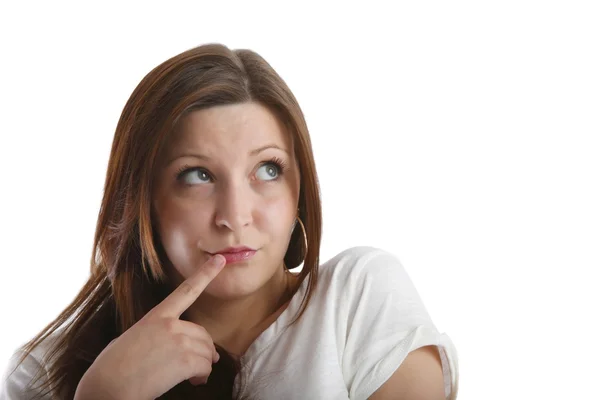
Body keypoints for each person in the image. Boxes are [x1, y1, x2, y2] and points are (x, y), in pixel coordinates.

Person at [0, 43, 459, 400]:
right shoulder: (46, 370)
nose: (235, 215)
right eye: (197, 176)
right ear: (142, 201)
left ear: (300, 191)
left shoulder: (358, 299)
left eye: (268, 170)